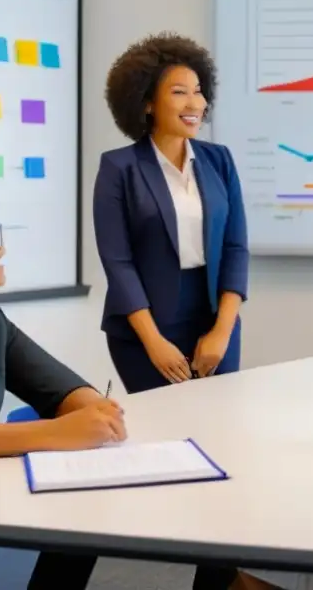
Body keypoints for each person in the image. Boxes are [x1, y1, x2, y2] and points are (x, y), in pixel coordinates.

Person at [0, 184, 125, 590]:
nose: (0, 248)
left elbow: (58, 387)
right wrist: (52, 434)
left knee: (82, 521)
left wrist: (93, 409)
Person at [94, 32, 248, 394]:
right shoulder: (119, 168)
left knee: (218, 423)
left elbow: (235, 248)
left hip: (214, 322)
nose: (195, 102)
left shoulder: (219, 159)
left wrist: (222, 331)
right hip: (144, 327)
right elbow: (118, 263)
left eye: (198, 90)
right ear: (146, 102)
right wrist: (154, 343)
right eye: (180, 92)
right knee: (164, 433)